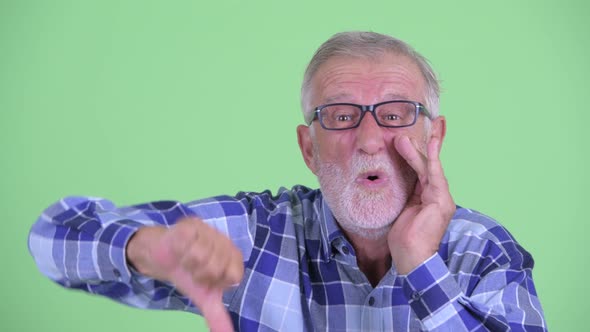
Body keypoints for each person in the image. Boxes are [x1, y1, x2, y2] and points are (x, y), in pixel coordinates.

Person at [28, 31, 547, 331]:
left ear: (434, 137)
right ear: (308, 148)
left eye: (393, 114)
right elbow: (54, 234)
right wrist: (146, 247)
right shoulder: (258, 234)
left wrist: (420, 266)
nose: (369, 139)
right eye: (342, 116)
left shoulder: (484, 253)